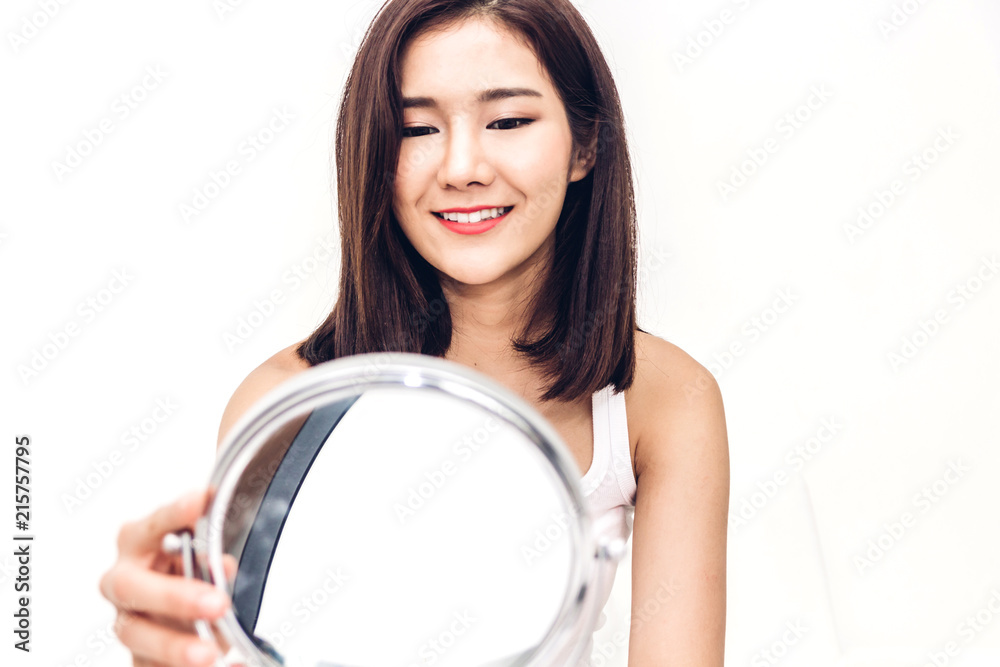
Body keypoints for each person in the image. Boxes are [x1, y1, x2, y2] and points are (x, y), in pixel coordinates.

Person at [99, 0, 730, 665]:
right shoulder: (284, 405)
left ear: (586, 144)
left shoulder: (665, 399)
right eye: (416, 128)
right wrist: (164, 655)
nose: (461, 167)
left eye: (509, 120)